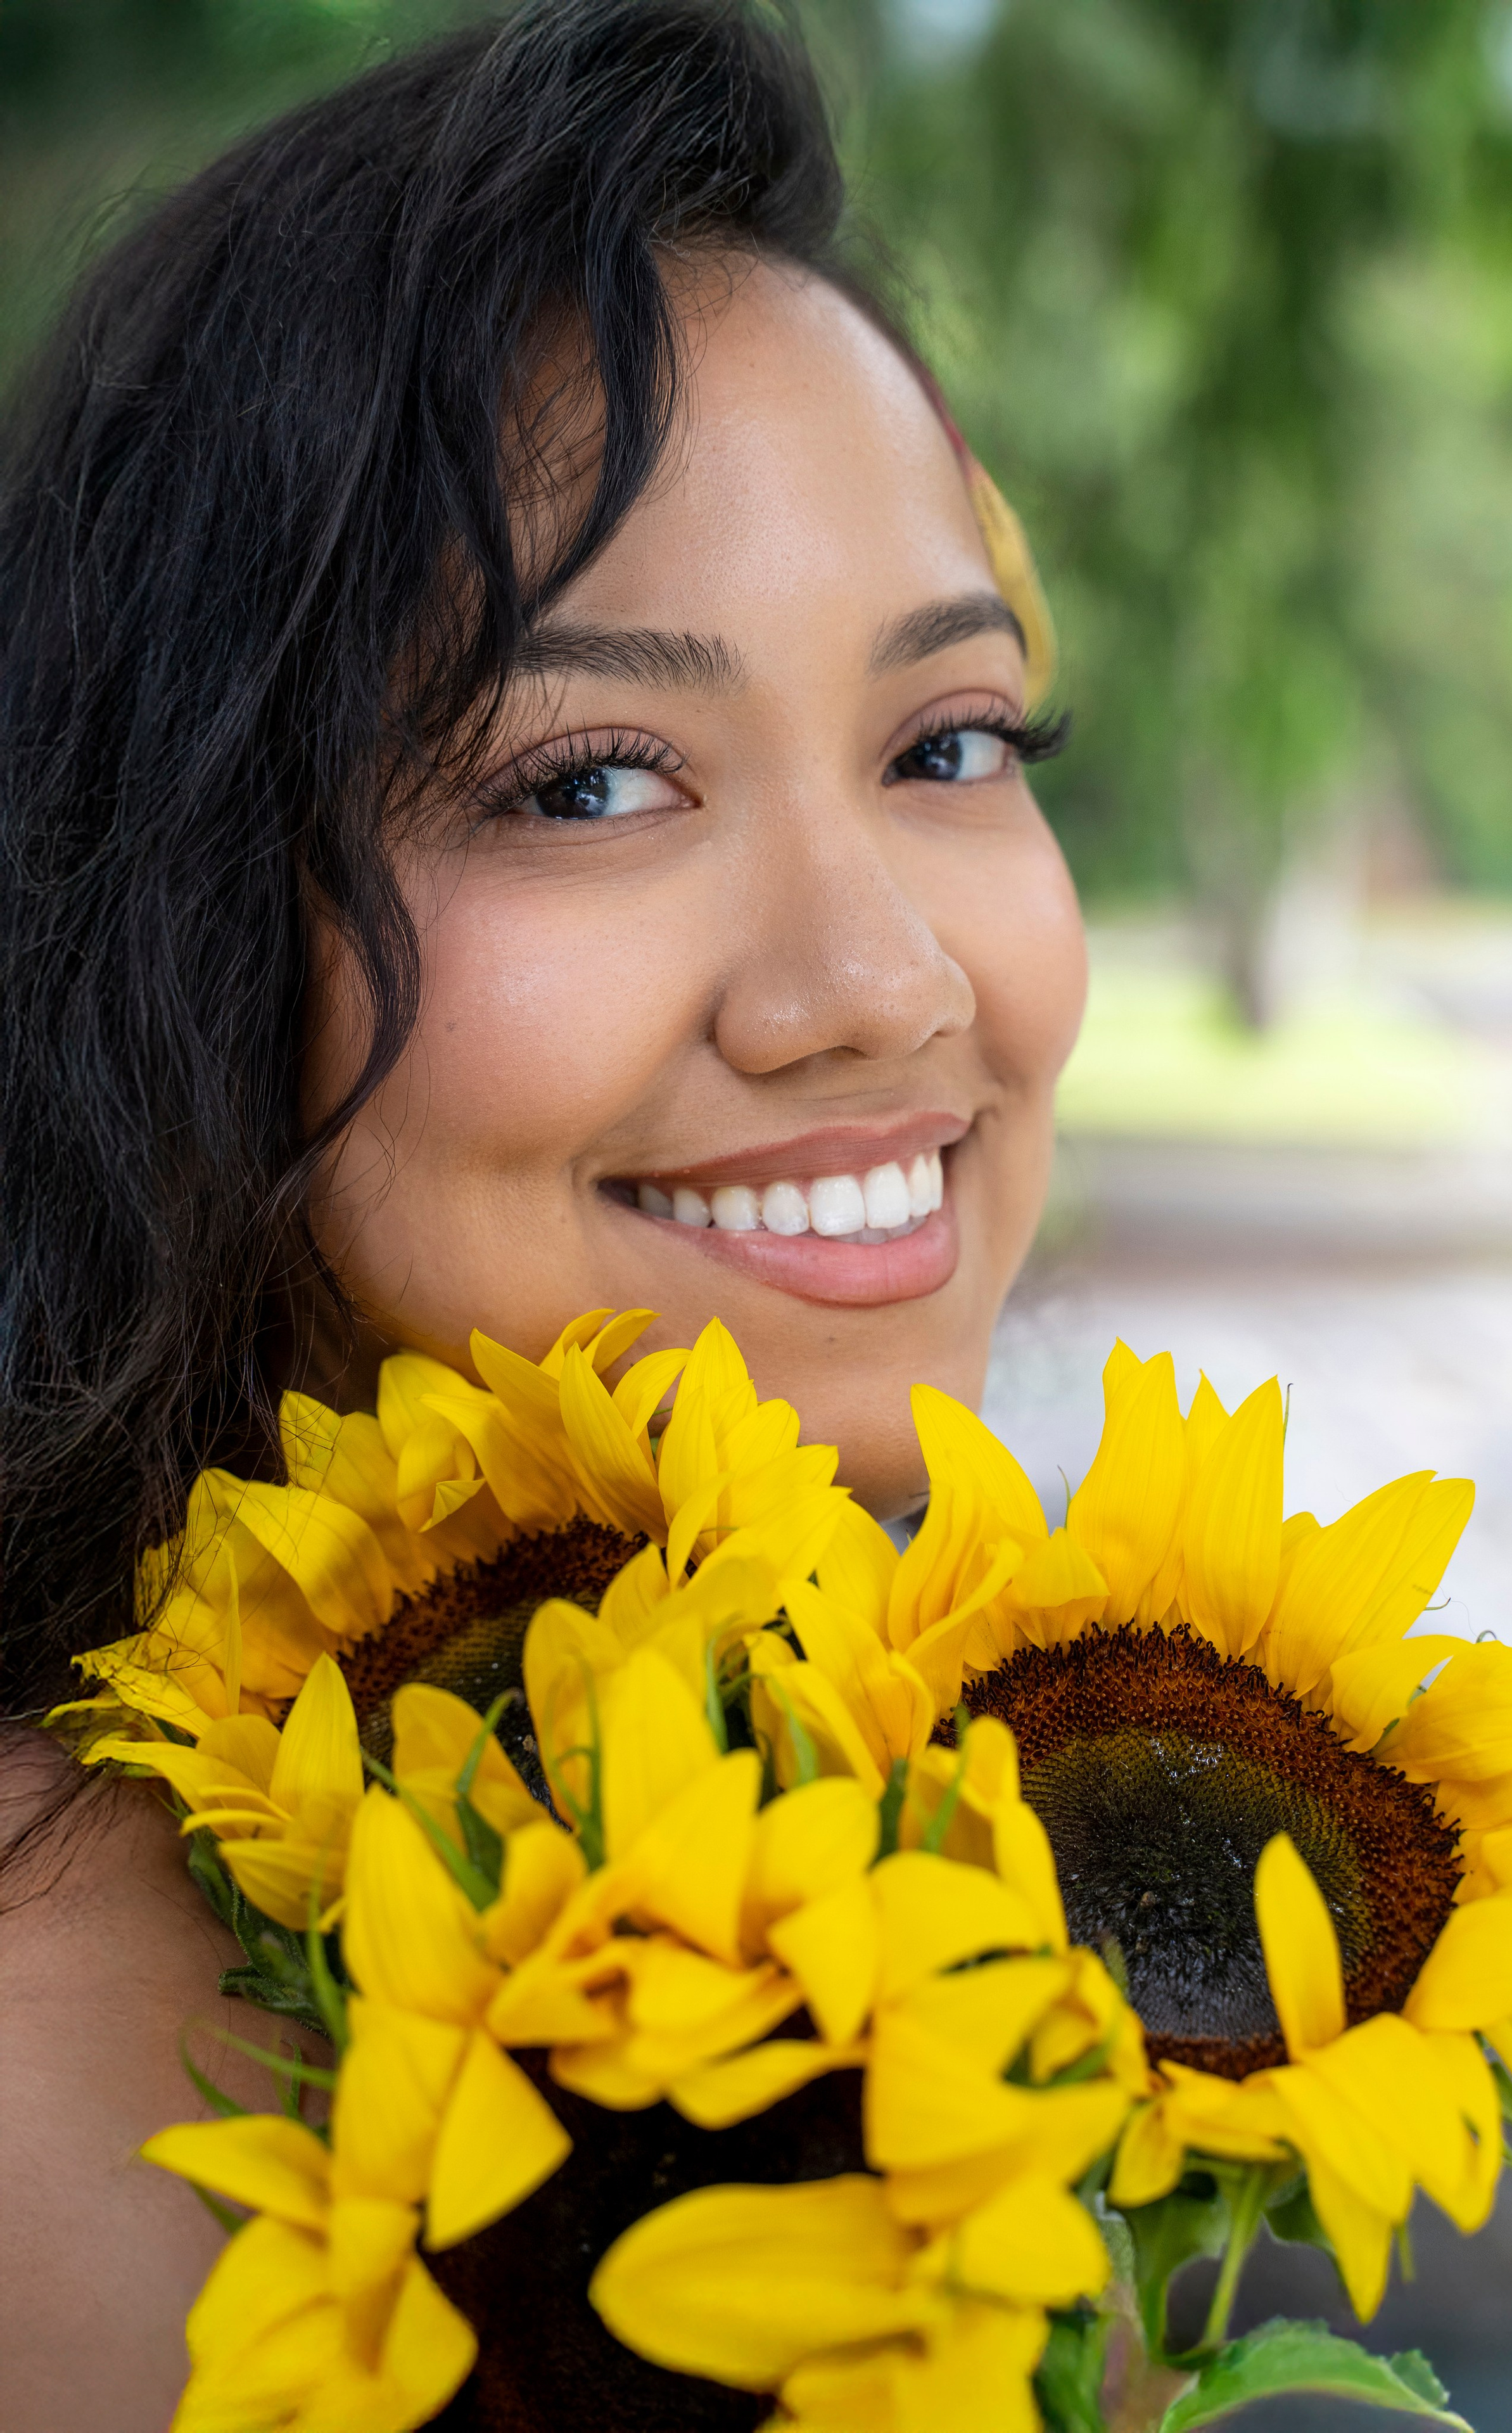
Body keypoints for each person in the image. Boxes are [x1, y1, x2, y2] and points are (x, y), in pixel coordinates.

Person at [0, 1, 1086, 2422]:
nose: (878, 986)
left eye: (953, 744)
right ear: (180, 921)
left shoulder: (1011, 1901)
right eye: (593, 780)